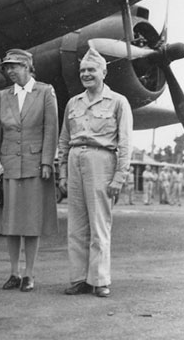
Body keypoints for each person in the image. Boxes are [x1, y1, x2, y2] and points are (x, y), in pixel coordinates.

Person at [57, 46, 133, 298]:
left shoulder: (118, 102)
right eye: (82, 70)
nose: (86, 74)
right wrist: (63, 174)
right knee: (76, 226)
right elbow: (64, 140)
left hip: (102, 162)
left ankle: (99, 280)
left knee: (100, 224)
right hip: (75, 160)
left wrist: (119, 178)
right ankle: (79, 279)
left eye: (91, 70)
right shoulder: (73, 103)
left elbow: (125, 144)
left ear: (104, 72)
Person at [0, 49, 58, 292]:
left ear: (28, 67)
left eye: (14, 66)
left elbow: (51, 129)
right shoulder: (2, 95)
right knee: (10, 223)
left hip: (34, 165)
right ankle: (13, 272)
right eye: (7, 67)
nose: (9, 71)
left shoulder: (45, 91)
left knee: (31, 222)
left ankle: (29, 274)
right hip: (8, 165)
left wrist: (47, 162)